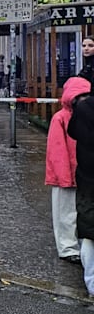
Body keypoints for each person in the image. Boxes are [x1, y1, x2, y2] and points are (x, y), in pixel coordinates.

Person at [48, 77, 89, 264]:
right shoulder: (61, 118)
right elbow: (57, 151)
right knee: (65, 213)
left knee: (77, 212)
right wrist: (64, 176)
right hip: (64, 174)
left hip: (81, 173)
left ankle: (74, 246)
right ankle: (67, 247)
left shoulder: (77, 116)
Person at [67, 85, 94, 295]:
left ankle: (92, 284)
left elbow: (73, 131)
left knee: (89, 230)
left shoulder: (84, 108)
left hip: (87, 177)